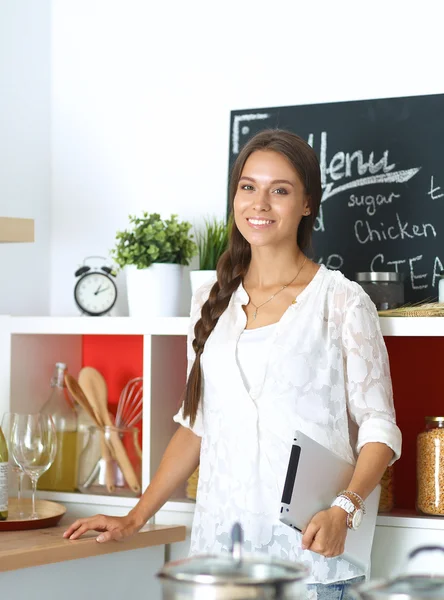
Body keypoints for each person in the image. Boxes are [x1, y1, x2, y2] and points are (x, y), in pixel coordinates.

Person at [64, 130, 402, 599]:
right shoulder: (209, 300)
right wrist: (135, 517)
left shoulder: (342, 301)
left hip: (312, 558)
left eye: (279, 190)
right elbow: (196, 424)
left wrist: (344, 509)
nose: (259, 203)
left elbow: (380, 428)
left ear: (307, 203)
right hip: (221, 560)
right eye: (248, 187)